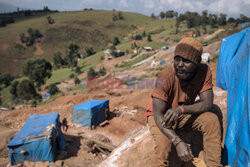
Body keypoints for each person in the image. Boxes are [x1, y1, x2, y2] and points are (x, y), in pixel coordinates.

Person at [147, 37, 222, 167]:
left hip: (181, 114)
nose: (180, 65)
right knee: (163, 145)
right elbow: (158, 114)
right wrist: (177, 141)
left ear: (197, 63)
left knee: (212, 120)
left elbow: (207, 103)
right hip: (161, 117)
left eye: (186, 61)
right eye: (177, 59)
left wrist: (180, 110)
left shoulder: (204, 72)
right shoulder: (163, 76)